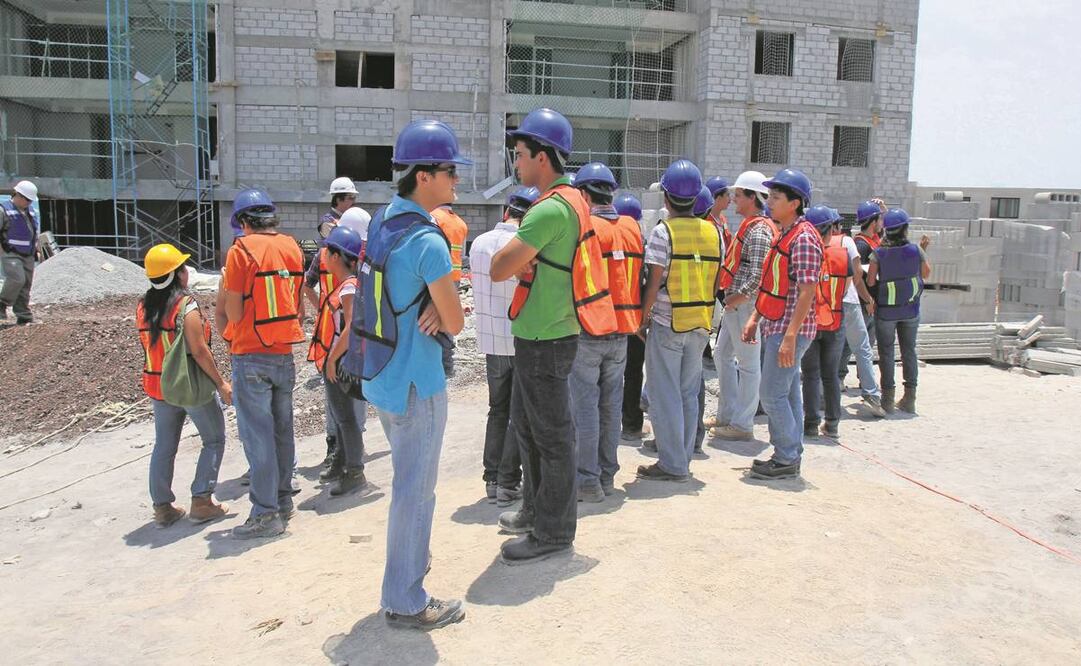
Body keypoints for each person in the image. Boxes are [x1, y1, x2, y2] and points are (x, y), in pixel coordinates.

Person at [350, 119, 468, 630]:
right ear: (425, 175)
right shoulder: (430, 242)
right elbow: (458, 322)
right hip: (417, 382)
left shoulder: (383, 221)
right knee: (415, 493)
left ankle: (404, 583)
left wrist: (433, 307)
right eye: (449, 172)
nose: (455, 182)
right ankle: (406, 598)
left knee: (406, 486)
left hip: (380, 374)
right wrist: (442, 310)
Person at [491, 107, 616, 564]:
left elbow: (497, 266)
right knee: (529, 427)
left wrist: (518, 260)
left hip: (546, 336)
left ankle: (554, 532)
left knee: (551, 435)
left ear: (543, 157)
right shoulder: (574, 200)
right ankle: (536, 509)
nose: (517, 163)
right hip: (546, 331)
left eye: (521, 154)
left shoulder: (548, 210)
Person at [222, 188, 306, 539]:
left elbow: (235, 312)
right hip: (283, 352)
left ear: (243, 222)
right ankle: (283, 501)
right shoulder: (292, 247)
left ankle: (265, 513)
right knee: (281, 431)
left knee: (258, 437)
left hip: (250, 354)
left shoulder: (240, 252)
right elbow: (299, 308)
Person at [637, 159, 721, 482]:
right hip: (700, 322)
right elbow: (715, 283)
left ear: (667, 198)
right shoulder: (713, 233)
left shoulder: (663, 232)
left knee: (664, 392)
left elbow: (655, 279)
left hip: (667, 322)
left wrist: (643, 318)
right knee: (687, 392)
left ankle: (672, 464)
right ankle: (682, 458)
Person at [137, 243, 232, 527]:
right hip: (189, 386)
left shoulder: (143, 307)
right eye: (183, 268)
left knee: (164, 446)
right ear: (177, 275)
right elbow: (200, 351)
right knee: (213, 439)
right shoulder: (185, 307)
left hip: (157, 387)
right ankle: (202, 500)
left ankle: (163, 507)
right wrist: (221, 383)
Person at [741, 168, 822, 480]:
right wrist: (755, 317)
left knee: (772, 394)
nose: (770, 202)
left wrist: (790, 336)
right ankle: (790, 453)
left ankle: (786, 456)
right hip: (778, 325)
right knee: (787, 395)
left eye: (776, 198)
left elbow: (807, 290)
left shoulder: (803, 239)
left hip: (789, 330)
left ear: (795, 203)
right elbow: (773, 284)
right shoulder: (785, 234)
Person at [570, 162, 643, 501]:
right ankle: (607, 476)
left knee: (585, 406)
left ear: (584, 193)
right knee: (611, 406)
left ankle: (586, 480)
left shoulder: (585, 228)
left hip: (589, 328)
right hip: (622, 331)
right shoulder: (631, 227)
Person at [469, 187, 537, 506]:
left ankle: (492, 479)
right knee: (517, 413)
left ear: (505, 212)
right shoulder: (524, 245)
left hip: (491, 341)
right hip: (521, 338)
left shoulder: (479, 244)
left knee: (497, 409)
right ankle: (510, 480)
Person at [305, 206, 372, 483]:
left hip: (341, 360)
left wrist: (332, 359)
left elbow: (354, 324)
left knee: (345, 418)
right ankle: (343, 464)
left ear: (336, 256)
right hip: (337, 358)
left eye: (328, 254)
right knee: (342, 415)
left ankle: (353, 470)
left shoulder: (347, 287)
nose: (323, 259)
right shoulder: (346, 282)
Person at [710, 171, 776, 441]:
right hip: (735, 305)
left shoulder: (759, 230)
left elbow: (758, 276)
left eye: (738, 195)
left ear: (753, 197)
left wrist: (736, 299)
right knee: (721, 355)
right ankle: (727, 415)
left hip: (744, 306)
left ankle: (742, 424)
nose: (733, 199)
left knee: (748, 366)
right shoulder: (751, 225)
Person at [867, 208, 931, 414]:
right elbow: (926, 273)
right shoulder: (915, 250)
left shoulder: (878, 253)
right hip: (910, 309)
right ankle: (909, 399)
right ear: (904, 229)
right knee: (909, 351)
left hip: (886, 311)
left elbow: (870, 280)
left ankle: (887, 400)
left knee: (886, 353)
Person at [800, 206, 850, 439]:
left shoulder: (805, 252)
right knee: (830, 375)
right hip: (835, 321)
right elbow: (846, 287)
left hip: (810, 322)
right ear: (830, 229)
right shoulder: (841, 254)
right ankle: (832, 423)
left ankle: (810, 424)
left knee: (810, 374)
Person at [839, 199, 885, 385]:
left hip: (872, 300)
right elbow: (857, 277)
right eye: (880, 218)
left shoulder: (873, 241)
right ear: (873, 222)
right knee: (849, 343)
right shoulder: (862, 245)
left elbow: (887, 231)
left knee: (866, 344)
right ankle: (839, 376)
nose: (882, 222)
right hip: (862, 301)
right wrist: (867, 300)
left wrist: (883, 208)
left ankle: (862, 379)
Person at [614, 192, 649, 441]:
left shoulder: (606, 241)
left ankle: (607, 421)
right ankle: (632, 424)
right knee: (634, 372)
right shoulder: (642, 244)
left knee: (610, 373)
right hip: (635, 319)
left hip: (610, 319)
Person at [431, 204, 468, 377]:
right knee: (447, 321)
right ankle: (447, 366)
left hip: (437, 276)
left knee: (432, 320)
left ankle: (439, 366)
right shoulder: (460, 224)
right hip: (455, 277)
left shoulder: (433, 217)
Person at [1, 180, 40, 324]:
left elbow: (34, 231)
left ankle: (24, 316)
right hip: (10, 252)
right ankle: (2, 303)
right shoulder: (3, 210)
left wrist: (36, 247)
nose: (29, 203)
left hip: (28, 253)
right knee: (17, 279)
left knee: (26, 285)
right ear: (18, 195)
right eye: (28, 200)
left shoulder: (30, 210)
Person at [705, 176, 733, 249]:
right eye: (727, 195)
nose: (730, 200)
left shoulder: (722, 219)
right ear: (718, 198)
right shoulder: (705, 220)